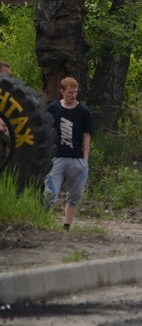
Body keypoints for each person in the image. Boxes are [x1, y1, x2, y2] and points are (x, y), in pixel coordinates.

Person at [44, 76, 94, 230]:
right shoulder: (53, 108)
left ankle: (67, 226)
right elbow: (46, 130)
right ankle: (43, 223)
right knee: (50, 193)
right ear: (62, 91)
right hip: (56, 158)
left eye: (75, 92)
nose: (73, 95)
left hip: (76, 159)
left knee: (75, 195)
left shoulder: (84, 111)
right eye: (70, 92)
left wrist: (85, 158)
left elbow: (87, 135)